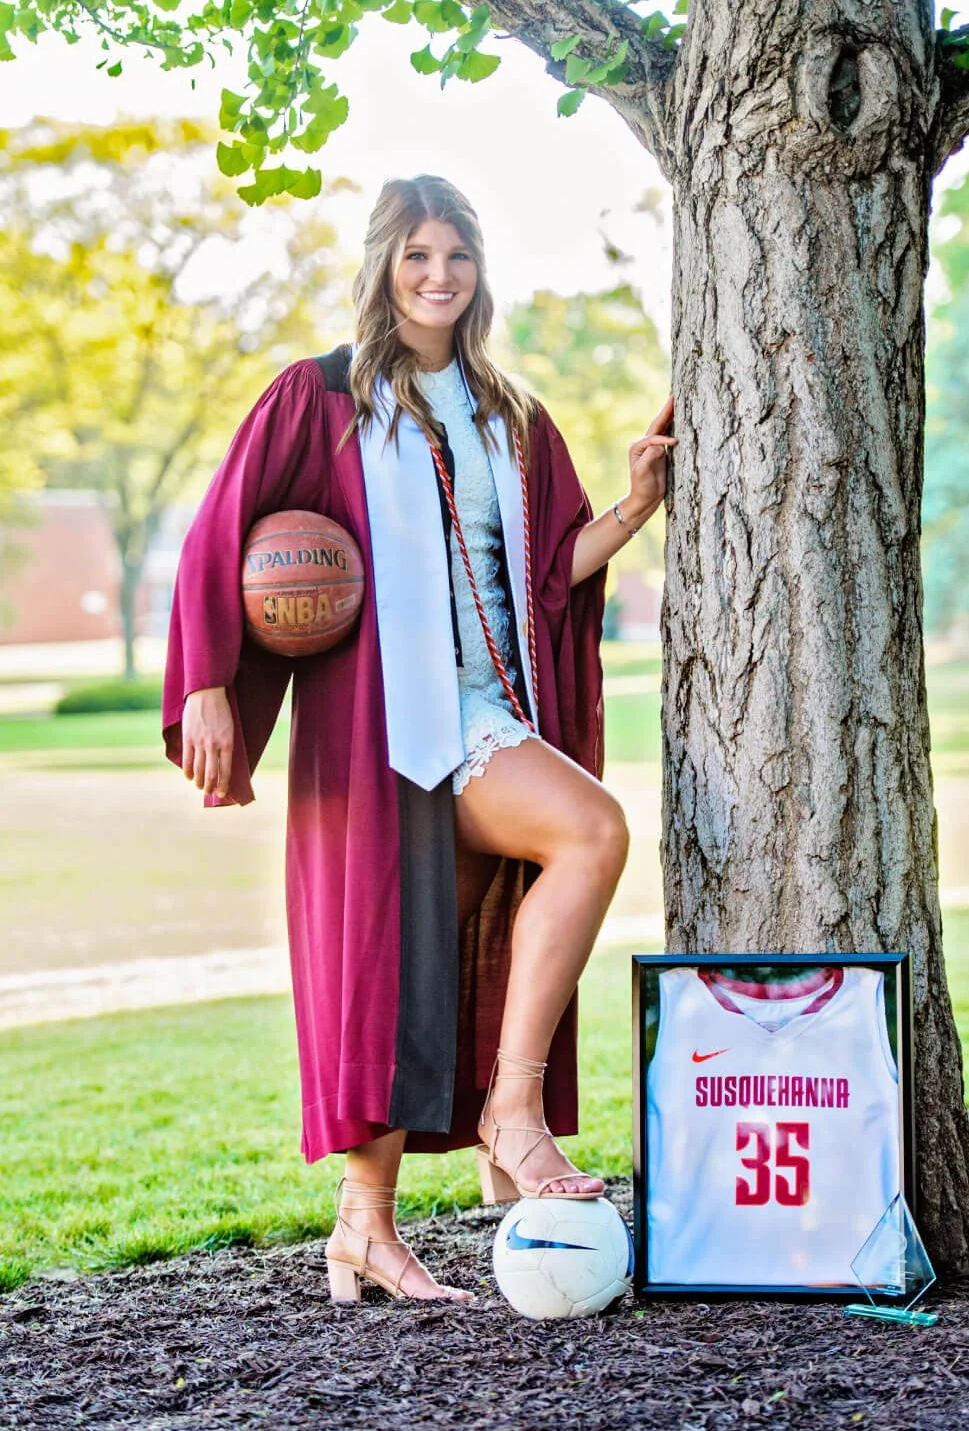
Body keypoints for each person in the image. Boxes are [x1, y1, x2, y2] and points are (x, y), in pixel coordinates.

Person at [163, 174, 674, 1306]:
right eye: (416, 257)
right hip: (383, 727)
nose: (439, 276)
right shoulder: (323, 398)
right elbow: (224, 530)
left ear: (479, 269)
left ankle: (375, 1223)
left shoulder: (511, 413)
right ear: (384, 267)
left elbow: (543, 578)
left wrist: (633, 509)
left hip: (491, 711)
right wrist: (204, 678)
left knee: (437, 947)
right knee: (510, 887)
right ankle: (496, 1125)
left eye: (456, 256)